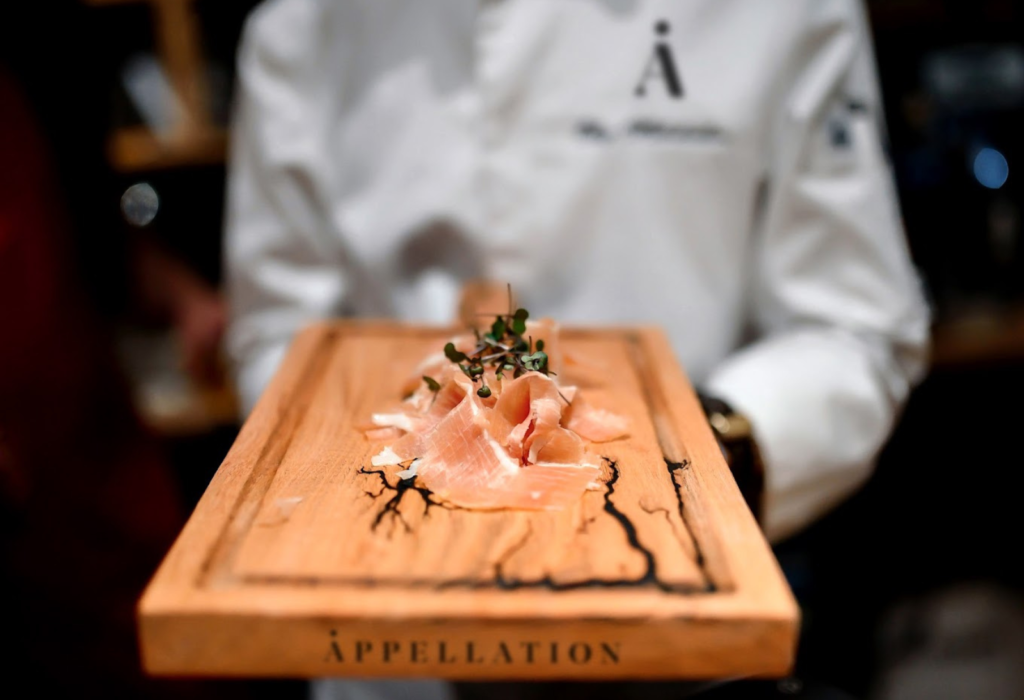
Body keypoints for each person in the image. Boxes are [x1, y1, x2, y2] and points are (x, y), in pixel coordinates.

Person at [224, 0, 929, 696]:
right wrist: (365, 492)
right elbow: (277, 336)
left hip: (675, 626)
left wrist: (686, 469)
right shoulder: (300, 24)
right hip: (392, 646)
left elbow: (855, 324)